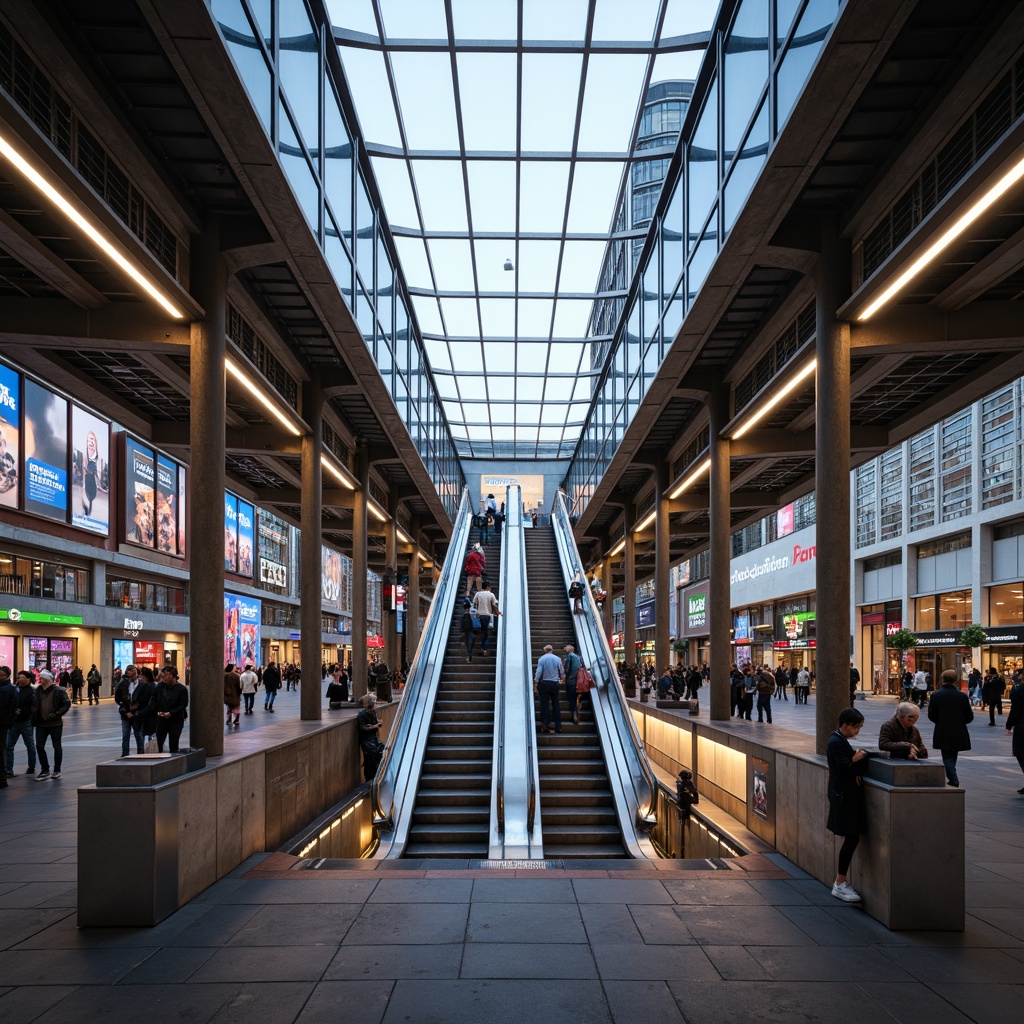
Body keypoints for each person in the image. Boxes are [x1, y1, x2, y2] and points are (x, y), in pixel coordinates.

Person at [826, 707, 869, 902]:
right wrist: (856, 758)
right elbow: (845, 766)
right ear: (846, 725)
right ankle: (840, 882)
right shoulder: (836, 742)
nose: (858, 731)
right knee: (851, 837)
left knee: (852, 837)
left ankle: (840, 882)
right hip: (842, 795)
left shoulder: (839, 740)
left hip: (844, 794)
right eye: (857, 728)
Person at [928, 668, 974, 787]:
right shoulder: (962, 696)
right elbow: (969, 716)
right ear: (955, 680)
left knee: (947, 755)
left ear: (942, 680)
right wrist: (962, 722)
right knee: (953, 753)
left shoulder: (936, 695)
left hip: (943, 728)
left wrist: (939, 721)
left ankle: (953, 778)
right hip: (959, 729)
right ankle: (952, 776)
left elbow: (931, 715)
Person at [32, 669, 70, 780]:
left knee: (57, 746)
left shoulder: (58, 691)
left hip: (55, 723)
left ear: (48, 680)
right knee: (39, 746)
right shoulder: (37, 690)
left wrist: (57, 714)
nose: (40, 680)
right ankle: (45, 769)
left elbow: (66, 704)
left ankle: (57, 769)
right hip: (41, 723)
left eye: (42, 678)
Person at [5, 669, 37, 778]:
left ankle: (31, 767)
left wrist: (22, 711)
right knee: (9, 746)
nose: (19, 679)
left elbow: (33, 707)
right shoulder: (16, 690)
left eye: (21, 677)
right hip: (14, 722)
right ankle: (8, 770)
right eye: (18, 677)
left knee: (29, 745)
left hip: (26, 721)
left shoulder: (32, 692)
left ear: (28, 679)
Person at [150, 665, 188, 753]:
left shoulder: (181, 689)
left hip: (175, 721)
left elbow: (183, 704)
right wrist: (157, 711)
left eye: (164, 676)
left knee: (173, 745)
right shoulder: (160, 686)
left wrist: (171, 713)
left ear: (171, 675)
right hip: (162, 719)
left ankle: (173, 762)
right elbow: (154, 700)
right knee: (158, 743)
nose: (163, 679)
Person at [114, 663, 149, 756]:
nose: (132, 676)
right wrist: (126, 711)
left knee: (139, 735)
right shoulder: (123, 684)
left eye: (134, 673)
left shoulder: (142, 684)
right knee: (125, 736)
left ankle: (141, 754)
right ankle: (125, 754)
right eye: (130, 673)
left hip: (137, 714)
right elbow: (118, 698)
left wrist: (136, 712)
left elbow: (144, 700)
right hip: (125, 714)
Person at [534, 644, 564, 734]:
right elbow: (561, 671)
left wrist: (536, 682)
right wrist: (561, 679)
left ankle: (546, 724)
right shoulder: (557, 659)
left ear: (545, 650)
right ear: (551, 650)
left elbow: (539, 671)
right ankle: (558, 726)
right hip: (555, 684)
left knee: (544, 704)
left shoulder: (541, 659)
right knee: (556, 704)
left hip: (544, 683)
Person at [357, 693, 384, 780]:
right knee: (370, 760)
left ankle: (377, 775)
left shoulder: (373, 712)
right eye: (374, 702)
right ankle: (370, 778)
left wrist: (376, 724)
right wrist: (375, 726)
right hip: (367, 741)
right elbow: (364, 728)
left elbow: (376, 722)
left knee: (380, 752)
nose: (375, 703)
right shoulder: (362, 714)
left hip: (373, 739)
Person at [1005, 673, 1024, 793]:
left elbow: (1016, 709)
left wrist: (1009, 724)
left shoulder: (1019, 691)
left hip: (1022, 726)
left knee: (1021, 754)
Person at [472, 584, 500, 656]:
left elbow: (474, 603)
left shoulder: (478, 594)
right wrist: (498, 612)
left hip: (479, 614)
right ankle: (484, 648)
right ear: (488, 587)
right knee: (485, 632)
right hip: (487, 615)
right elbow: (494, 605)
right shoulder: (491, 594)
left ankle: (478, 641)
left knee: (481, 629)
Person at [0, 666, 16, 789]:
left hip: (2, 723)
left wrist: (9, 721)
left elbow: (12, 707)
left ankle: (2, 778)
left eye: (2, 675)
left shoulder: (10, 689)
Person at [563, 644, 582, 724]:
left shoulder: (570, 656)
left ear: (571, 649)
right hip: (577, 681)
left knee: (571, 699)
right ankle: (575, 715)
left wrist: (567, 675)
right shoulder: (577, 657)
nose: (565, 648)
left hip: (571, 681)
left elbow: (568, 668)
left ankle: (574, 716)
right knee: (574, 699)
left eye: (567, 647)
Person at [224, 663, 241, 728]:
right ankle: (236, 720)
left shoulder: (224, 675)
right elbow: (239, 687)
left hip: (227, 695)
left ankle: (229, 720)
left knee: (229, 707)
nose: (235, 668)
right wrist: (239, 693)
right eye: (234, 667)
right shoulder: (235, 676)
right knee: (236, 707)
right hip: (235, 694)